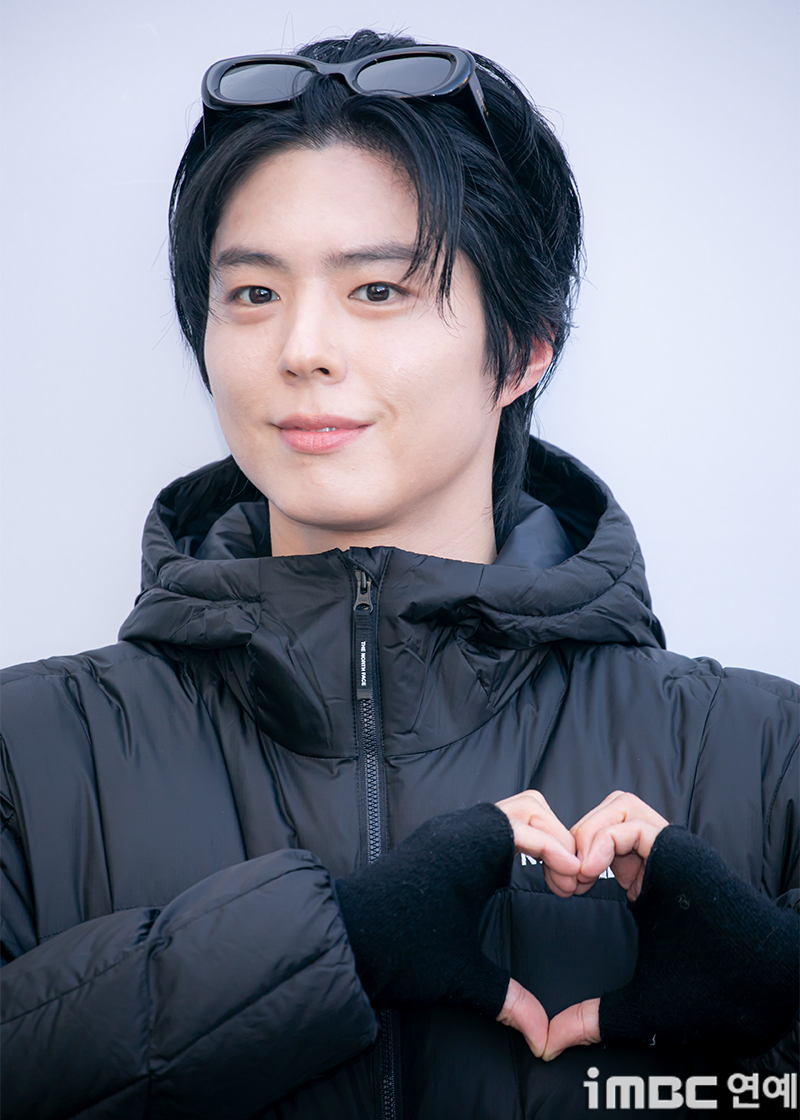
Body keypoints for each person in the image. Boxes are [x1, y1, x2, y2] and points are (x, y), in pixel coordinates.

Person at [1, 27, 797, 1120]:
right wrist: (336, 941)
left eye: (376, 289)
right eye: (251, 294)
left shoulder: (764, 757)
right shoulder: (27, 754)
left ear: (523, 348)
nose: (301, 348)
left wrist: (780, 1020)